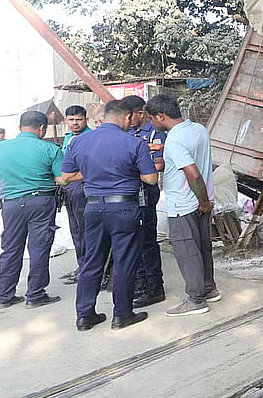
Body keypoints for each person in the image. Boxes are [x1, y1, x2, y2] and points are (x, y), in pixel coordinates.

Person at [61, 99, 157, 331]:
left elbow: (66, 176)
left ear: (104, 117)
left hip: (93, 208)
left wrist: (94, 172)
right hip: (124, 208)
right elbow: (151, 178)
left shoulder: (78, 141)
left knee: (92, 261)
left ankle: (84, 316)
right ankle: (122, 315)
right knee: (124, 261)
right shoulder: (134, 143)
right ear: (127, 117)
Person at [0, 110, 65, 308]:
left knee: (10, 248)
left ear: (19, 127)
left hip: (10, 204)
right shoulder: (50, 148)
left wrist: (10, 176)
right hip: (41, 203)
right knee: (39, 248)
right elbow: (63, 179)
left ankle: (4, 296)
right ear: (42, 129)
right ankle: (35, 295)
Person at [145, 94, 220, 316]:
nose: (151, 123)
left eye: (152, 118)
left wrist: (203, 202)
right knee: (203, 247)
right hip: (202, 201)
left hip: (184, 204)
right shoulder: (198, 129)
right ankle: (209, 288)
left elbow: (193, 174)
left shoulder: (175, 140)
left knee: (188, 252)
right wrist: (205, 202)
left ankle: (196, 300)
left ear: (161, 116)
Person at [121, 95, 166, 307]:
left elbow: (159, 165)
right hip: (130, 192)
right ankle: (139, 283)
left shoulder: (156, 133)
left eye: (129, 116)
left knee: (147, 240)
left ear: (140, 113)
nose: (127, 120)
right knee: (133, 240)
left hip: (146, 191)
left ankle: (155, 286)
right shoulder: (126, 132)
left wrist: (131, 171)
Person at [60, 106, 89, 284]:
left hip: (82, 186)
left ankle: (89, 270)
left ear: (86, 120)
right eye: (71, 120)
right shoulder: (68, 138)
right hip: (69, 188)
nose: (75, 123)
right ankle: (82, 265)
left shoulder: (91, 137)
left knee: (85, 230)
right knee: (76, 229)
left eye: (78, 119)